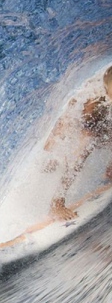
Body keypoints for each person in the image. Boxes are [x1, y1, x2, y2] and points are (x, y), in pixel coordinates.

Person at [44, 65, 112, 221]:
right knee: (83, 149)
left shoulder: (107, 85)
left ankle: (110, 169)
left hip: (97, 111)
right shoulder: (92, 101)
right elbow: (69, 122)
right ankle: (56, 203)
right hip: (75, 116)